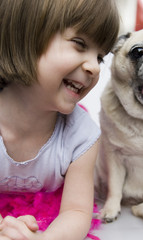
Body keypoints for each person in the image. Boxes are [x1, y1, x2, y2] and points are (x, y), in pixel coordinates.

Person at [0, 0, 119, 239]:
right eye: (79, 43)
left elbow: (76, 211)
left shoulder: (82, 137)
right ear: (25, 35)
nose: (94, 68)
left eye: (100, 57)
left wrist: (43, 238)